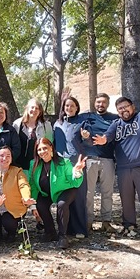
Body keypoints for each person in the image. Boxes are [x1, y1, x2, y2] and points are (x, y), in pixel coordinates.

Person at [93, 79, 140, 243]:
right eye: (120, 109)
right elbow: (108, 136)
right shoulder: (116, 124)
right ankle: (129, 225)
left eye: (126, 107)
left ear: (133, 107)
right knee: (126, 200)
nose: (124, 110)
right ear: (117, 112)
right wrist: (103, 140)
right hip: (123, 169)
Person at [28, 138, 86, 249]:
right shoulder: (34, 164)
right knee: (41, 205)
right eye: (39, 149)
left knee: (62, 204)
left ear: (51, 148)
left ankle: (62, 236)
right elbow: (33, 185)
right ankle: (50, 232)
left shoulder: (64, 162)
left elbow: (74, 181)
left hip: (65, 190)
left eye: (45, 148)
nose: (42, 151)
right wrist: (33, 205)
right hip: (46, 192)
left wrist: (77, 172)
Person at [77, 93, 119, 233]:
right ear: (94, 103)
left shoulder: (114, 119)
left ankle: (106, 221)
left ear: (108, 104)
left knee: (107, 192)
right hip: (90, 159)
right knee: (88, 193)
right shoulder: (87, 117)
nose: (101, 105)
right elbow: (69, 115)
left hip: (107, 159)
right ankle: (88, 221)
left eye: (104, 102)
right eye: (98, 102)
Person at [53, 93, 91, 238]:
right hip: (61, 164)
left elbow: (89, 142)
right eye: (67, 105)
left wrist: (87, 137)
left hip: (77, 162)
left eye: (72, 106)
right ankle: (66, 229)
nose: (69, 108)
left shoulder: (82, 122)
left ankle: (80, 229)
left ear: (77, 108)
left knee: (79, 196)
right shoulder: (57, 123)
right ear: (63, 107)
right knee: (64, 197)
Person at [0, 146, 35, 243]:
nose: (4, 158)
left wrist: (26, 198)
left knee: (8, 221)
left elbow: (24, 185)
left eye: (8, 156)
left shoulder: (17, 171)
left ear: (11, 158)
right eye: (1, 155)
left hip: (12, 207)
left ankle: (11, 234)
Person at [12, 98, 54, 172]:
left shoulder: (46, 126)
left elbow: (50, 144)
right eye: (32, 107)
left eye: (37, 108)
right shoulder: (17, 124)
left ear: (40, 112)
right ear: (27, 109)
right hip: (18, 165)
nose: (34, 110)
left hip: (37, 165)